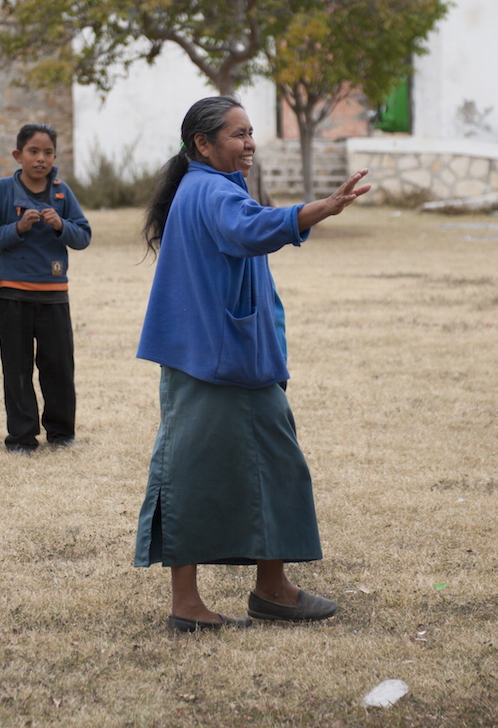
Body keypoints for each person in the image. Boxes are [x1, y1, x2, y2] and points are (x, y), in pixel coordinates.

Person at [132, 95, 370, 632]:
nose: (250, 143)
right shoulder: (211, 190)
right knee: (189, 474)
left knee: (275, 465)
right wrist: (320, 209)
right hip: (209, 362)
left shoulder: (210, 187)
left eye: (250, 132)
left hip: (235, 359)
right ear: (203, 144)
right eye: (237, 134)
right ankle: (187, 606)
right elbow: (253, 229)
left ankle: (272, 589)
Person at [0, 123, 92, 454]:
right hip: (13, 293)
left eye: (47, 153)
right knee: (16, 370)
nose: (40, 159)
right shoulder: (2, 191)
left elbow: (83, 236)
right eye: (33, 152)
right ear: (18, 155)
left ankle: (61, 434)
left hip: (54, 294)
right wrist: (17, 228)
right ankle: (21, 438)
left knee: (58, 367)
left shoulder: (62, 192)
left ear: (55, 156)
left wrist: (61, 226)